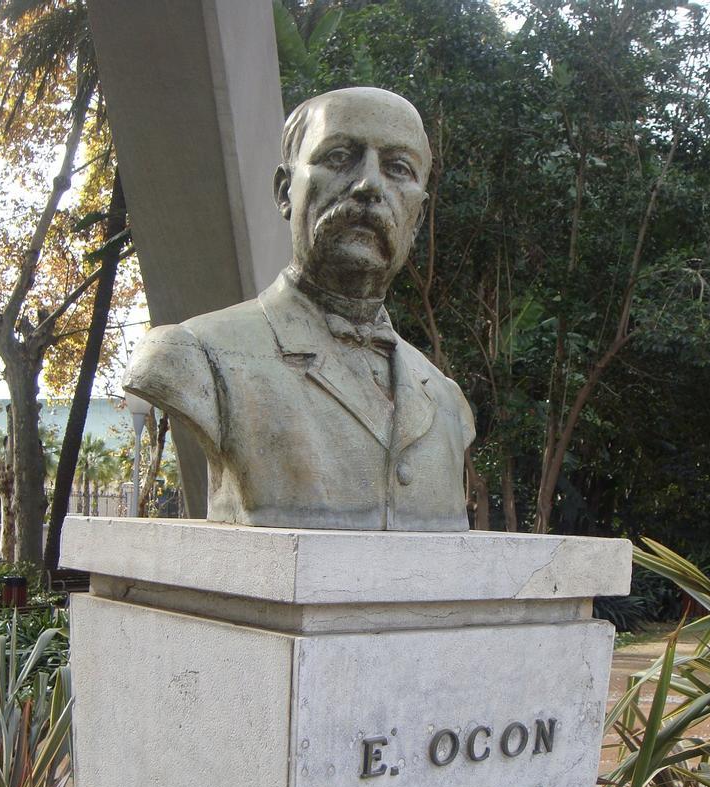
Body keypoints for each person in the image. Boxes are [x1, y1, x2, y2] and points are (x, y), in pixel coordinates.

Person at [125, 87, 475, 531]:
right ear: (285, 191)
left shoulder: (446, 401)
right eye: (339, 157)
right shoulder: (193, 354)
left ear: (418, 218)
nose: (369, 185)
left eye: (398, 168)